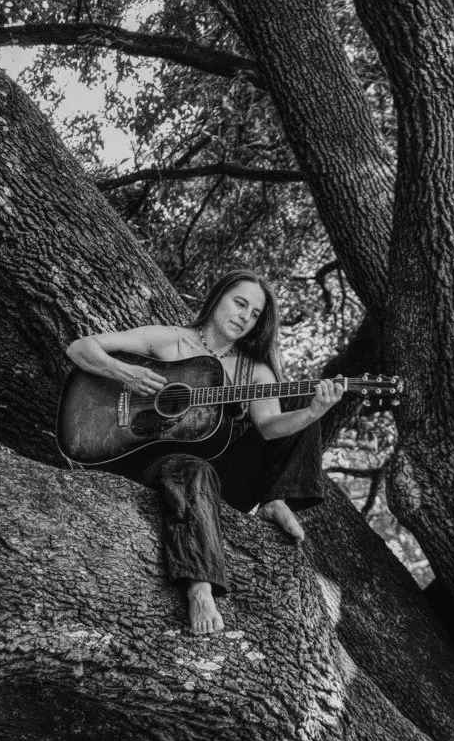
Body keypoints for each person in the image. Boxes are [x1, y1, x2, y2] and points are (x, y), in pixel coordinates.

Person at [66, 270, 343, 635]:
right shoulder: (168, 340)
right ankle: (200, 589)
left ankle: (275, 498)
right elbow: (80, 347)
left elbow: (270, 426)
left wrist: (312, 413)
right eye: (240, 303)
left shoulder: (254, 370)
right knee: (191, 467)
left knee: (301, 396)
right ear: (217, 300)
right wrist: (125, 372)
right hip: (153, 464)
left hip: (222, 480)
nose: (245, 316)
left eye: (255, 313)